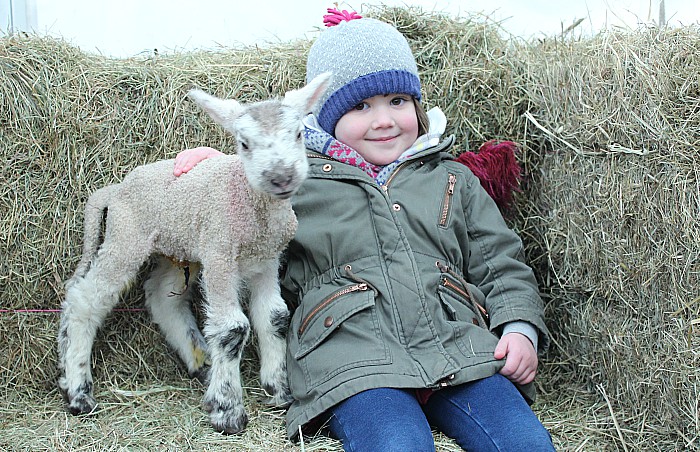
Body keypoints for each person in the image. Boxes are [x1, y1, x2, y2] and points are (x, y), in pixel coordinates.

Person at [174, 8, 554, 451]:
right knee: (396, 445)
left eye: (398, 101)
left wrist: (519, 327)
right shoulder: (299, 186)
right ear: (325, 116)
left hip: (461, 352)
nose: (384, 120)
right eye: (360, 106)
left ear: (416, 104)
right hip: (354, 363)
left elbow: (501, 262)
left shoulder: (452, 178)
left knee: (526, 443)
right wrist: (222, 171)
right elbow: (245, 219)